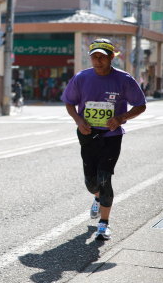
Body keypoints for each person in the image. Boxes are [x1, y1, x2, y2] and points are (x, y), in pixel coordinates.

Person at [61, 38, 146, 240]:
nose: (97, 61)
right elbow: (69, 102)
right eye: (94, 57)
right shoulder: (81, 78)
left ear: (110, 57)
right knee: (91, 183)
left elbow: (140, 105)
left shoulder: (124, 80)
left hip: (111, 136)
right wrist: (78, 120)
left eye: (102, 56)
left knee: (104, 178)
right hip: (87, 134)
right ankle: (97, 198)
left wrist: (120, 118)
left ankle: (104, 223)